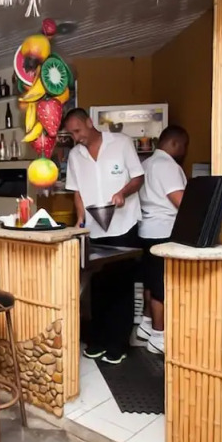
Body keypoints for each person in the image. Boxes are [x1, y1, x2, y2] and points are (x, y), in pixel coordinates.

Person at [64, 107, 144, 364]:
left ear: (90, 122)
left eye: (77, 131)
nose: (76, 137)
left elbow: (138, 178)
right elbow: (77, 191)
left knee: (121, 285)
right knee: (98, 286)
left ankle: (118, 345)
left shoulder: (121, 143)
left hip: (124, 225)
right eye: (71, 134)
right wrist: (80, 218)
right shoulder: (75, 155)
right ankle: (98, 340)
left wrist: (122, 193)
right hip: (94, 228)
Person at [136, 125, 189, 354]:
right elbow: (181, 202)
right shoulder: (167, 166)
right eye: (184, 146)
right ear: (175, 143)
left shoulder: (146, 164)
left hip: (146, 230)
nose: (184, 151)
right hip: (165, 231)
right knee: (161, 287)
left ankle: (146, 325)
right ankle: (159, 336)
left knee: (151, 281)